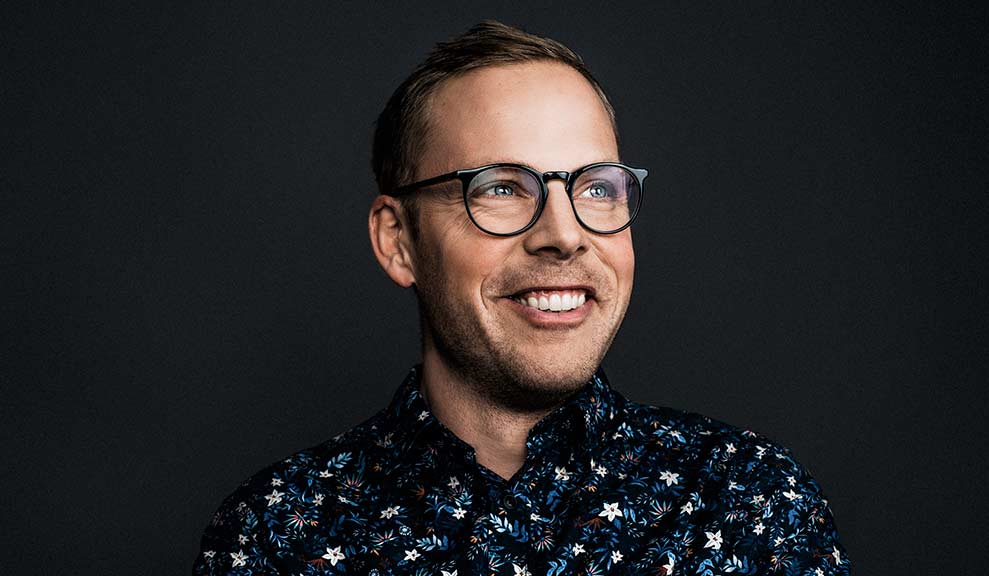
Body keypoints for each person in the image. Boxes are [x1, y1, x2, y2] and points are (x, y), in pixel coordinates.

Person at [194, 20, 850, 576]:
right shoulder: (276, 535)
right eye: (502, 188)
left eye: (596, 187)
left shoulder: (749, 500)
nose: (564, 236)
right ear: (398, 241)